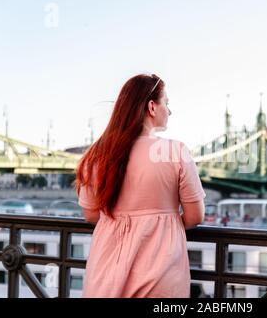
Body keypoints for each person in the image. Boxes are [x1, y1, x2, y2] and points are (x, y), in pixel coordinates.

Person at [75, 73, 206, 297]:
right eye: (166, 103)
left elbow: (90, 215)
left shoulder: (97, 155)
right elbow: (195, 216)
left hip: (105, 272)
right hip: (160, 272)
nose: (169, 110)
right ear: (151, 107)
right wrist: (161, 225)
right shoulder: (175, 151)